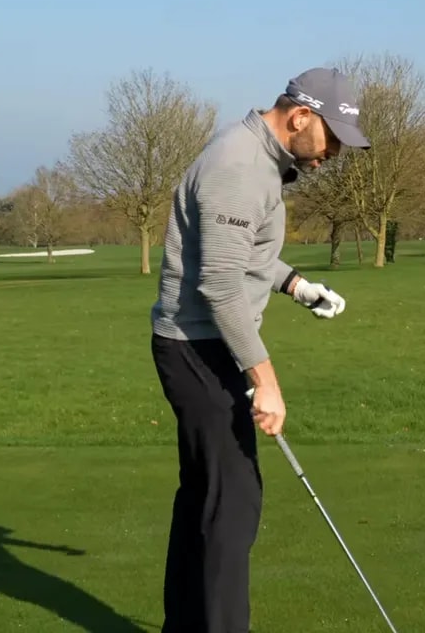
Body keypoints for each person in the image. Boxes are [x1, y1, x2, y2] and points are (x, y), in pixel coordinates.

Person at [148, 67, 371, 632]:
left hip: (203, 342)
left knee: (206, 495)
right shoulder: (239, 167)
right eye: (333, 141)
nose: (334, 157)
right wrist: (264, 379)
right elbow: (220, 283)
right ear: (300, 116)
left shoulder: (260, 164)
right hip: (199, 346)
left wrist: (297, 285)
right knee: (233, 504)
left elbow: (242, 251)